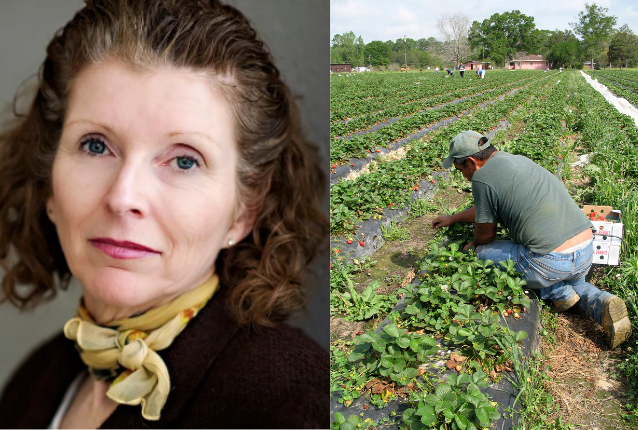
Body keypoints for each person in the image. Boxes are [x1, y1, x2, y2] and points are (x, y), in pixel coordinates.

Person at [0, 0, 329, 428]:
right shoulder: (36, 377)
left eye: (184, 160)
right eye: (96, 145)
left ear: (243, 210)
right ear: (48, 183)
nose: (123, 197)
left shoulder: (288, 400)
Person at [432, 131, 632, 350]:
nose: (464, 176)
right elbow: (485, 209)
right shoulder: (517, 160)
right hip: (585, 250)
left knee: (482, 253)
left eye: (461, 170)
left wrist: (474, 246)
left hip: (551, 262)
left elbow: (486, 235)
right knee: (571, 279)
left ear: (471, 162)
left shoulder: (482, 177)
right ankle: (599, 301)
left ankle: (556, 291)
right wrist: (453, 218)